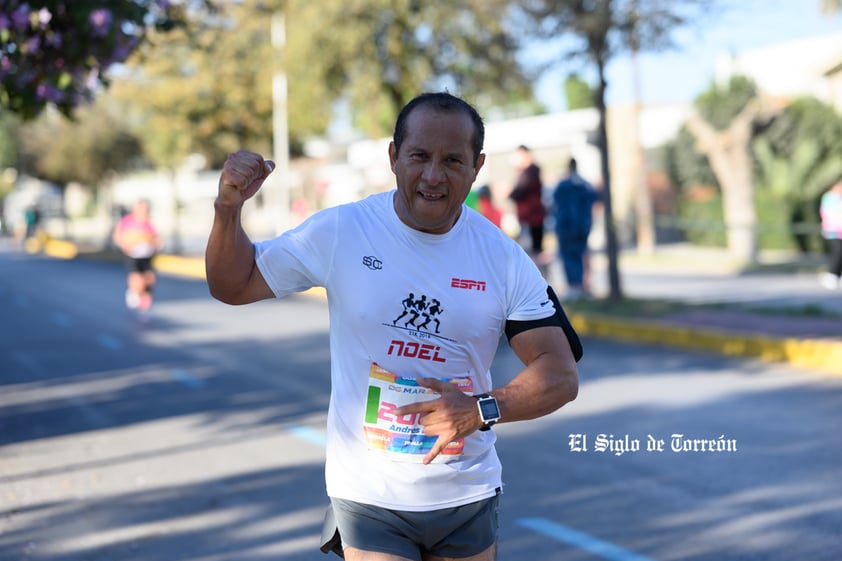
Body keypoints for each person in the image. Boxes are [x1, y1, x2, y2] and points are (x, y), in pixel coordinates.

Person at [206, 92, 581, 561]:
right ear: (393, 157)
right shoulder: (343, 231)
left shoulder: (501, 257)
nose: (433, 176)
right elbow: (233, 284)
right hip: (370, 496)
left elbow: (560, 375)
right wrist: (227, 209)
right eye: (419, 156)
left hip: (466, 493)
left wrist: (480, 408)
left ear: (477, 166)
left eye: (452, 160)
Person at [552, 158, 599, 299]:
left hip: (566, 228)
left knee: (568, 258)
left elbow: (555, 203)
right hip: (582, 228)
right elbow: (594, 199)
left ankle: (574, 286)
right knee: (580, 256)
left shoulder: (563, 186)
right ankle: (581, 286)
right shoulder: (585, 185)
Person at [112, 199, 162, 312]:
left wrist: (155, 244)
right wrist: (124, 245)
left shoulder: (148, 223)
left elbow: (156, 238)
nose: (144, 211)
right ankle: (134, 292)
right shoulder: (127, 221)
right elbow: (118, 236)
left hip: (147, 256)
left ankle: (145, 298)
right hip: (133, 256)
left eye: (145, 209)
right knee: (137, 279)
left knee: (150, 279)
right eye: (141, 208)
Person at [507, 145, 546, 255]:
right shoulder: (528, 172)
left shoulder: (529, 172)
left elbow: (519, 192)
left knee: (530, 254)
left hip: (531, 218)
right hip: (530, 218)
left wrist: (508, 192)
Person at [819, 179, 842, 290]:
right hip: (832, 231)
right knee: (837, 253)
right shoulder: (829, 198)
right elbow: (831, 216)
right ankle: (832, 275)